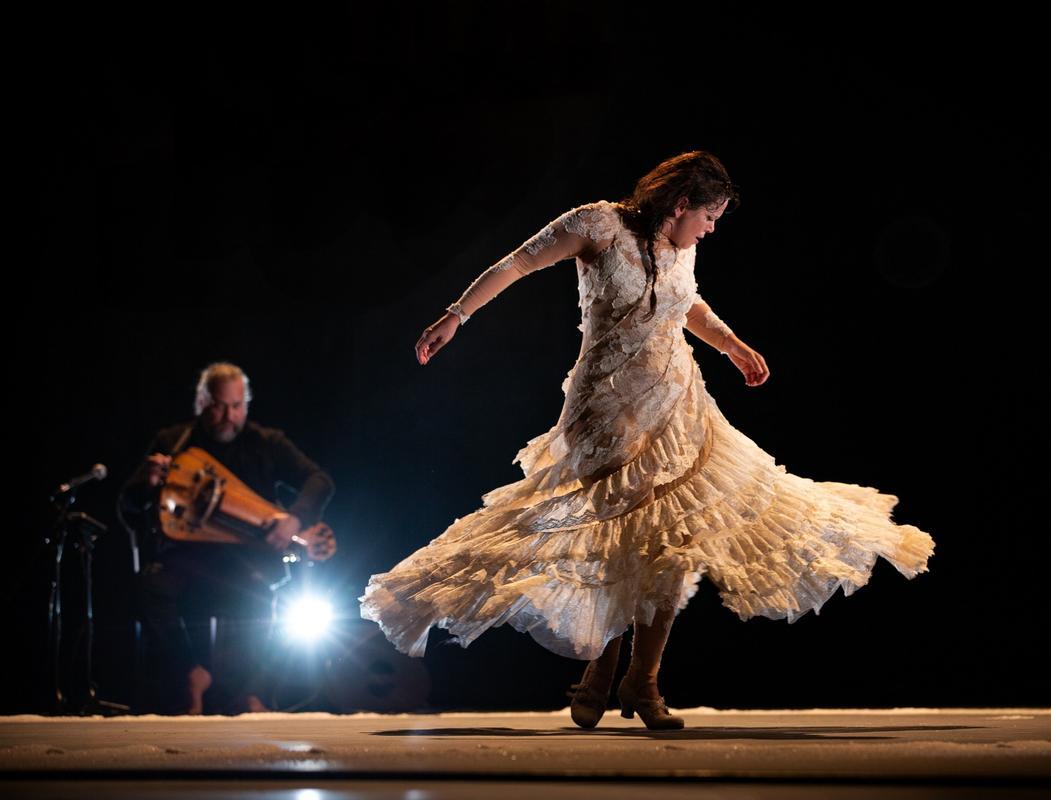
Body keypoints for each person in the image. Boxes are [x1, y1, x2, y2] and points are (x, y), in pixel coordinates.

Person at [359, 151, 935, 730]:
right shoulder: (596, 224)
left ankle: (644, 680)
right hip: (607, 409)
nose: (711, 228)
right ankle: (601, 672)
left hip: (678, 401)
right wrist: (457, 314)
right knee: (611, 537)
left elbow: (686, 307)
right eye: (708, 215)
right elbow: (517, 264)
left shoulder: (684, 247)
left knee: (674, 538)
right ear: (681, 203)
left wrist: (732, 345)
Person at [118, 362, 335, 714]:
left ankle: (252, 693)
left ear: (246, 406)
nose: (228, 416)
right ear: (201, 402)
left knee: (268, 592)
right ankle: (191, 674)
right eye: (219, 405)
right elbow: (128, 509)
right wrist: (146, 484)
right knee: (150, 586)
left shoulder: (266, 443)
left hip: (249, 559)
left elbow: (319, 480)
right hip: (186, 558)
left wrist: (294, 519)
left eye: (236, 406)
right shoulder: (174, 443)